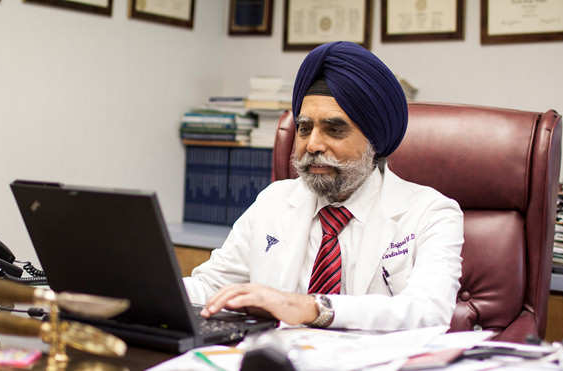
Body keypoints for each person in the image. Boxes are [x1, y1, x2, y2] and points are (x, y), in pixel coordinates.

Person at [183, 41, 463, 332]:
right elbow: (210, 287)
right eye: (304, 128)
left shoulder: (431, 213)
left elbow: (429, 311)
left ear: (374, 140)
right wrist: (142, 290)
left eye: (334, 129)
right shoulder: (274, 201)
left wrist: (310, 308)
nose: (313, 144)